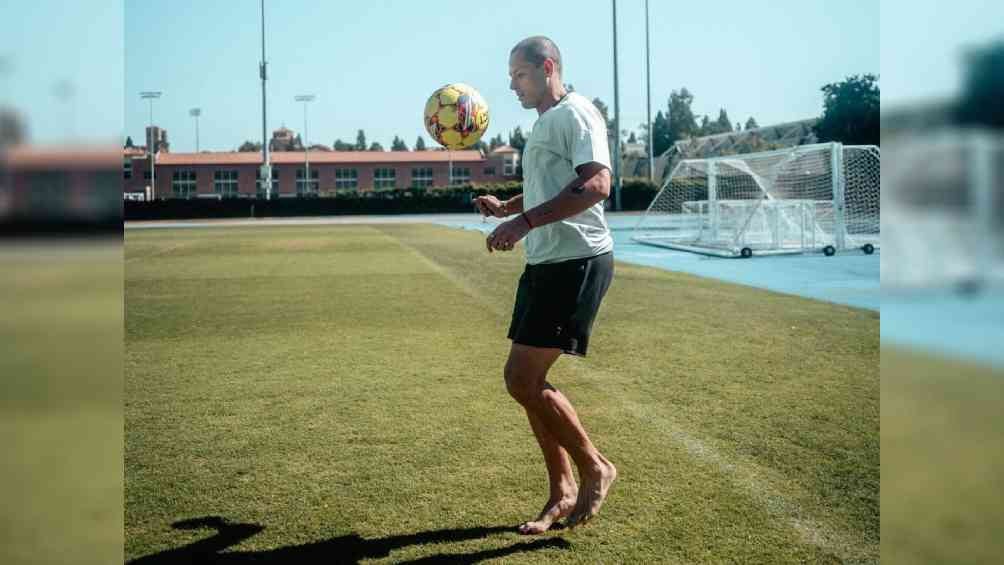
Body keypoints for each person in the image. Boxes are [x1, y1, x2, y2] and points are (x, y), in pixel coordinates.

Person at [474, 36, 617, 535]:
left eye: (519, 74)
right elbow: (550, 189)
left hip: (576, 261)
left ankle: (595, 467)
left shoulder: (576, 113)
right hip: (546, 262)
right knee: (524, 383)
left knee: (521, 378)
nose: (512, 84)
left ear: (547, 66)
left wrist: (524, 223)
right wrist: (508, 208)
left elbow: (597, 184)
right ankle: (561, 492)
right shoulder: (546, 122)